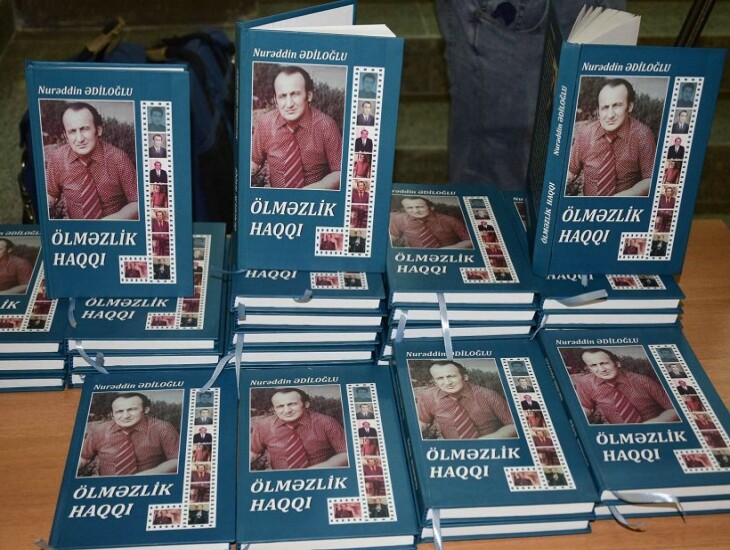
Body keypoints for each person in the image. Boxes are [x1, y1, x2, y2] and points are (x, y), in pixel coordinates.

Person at [251, 66, 342, 189]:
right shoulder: (265, 124)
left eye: (295, 94)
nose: (289, 104)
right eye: (283, 96)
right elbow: (255, 161)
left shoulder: (326, 126)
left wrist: (308, 192)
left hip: (314, 198)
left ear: (309, 96)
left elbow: (339, 172)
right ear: (276, 100)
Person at [45, 102, 139, 220]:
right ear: (66, 136)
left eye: (85, 129)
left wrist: (110, 222)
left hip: (113, 227)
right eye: (72, 131)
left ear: (98, 130)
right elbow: (51, 194)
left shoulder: (119, 159)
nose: (80, 139)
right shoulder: (57, 159)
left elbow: (137, 202)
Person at [568, 78, 656, 197]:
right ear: (598, 111)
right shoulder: (585, 134)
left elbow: (650, 179)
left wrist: (620, 198)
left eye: (617, 106)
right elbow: (572, 171)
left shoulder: (643, 135)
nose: (610, 115)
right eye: (605, 107)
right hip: (588, 205)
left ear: (629, 106)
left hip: (625, 205)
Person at [78, 392, 179, 476]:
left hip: (149, 484)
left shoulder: (163, 428)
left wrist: (146, 475)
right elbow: (84, 458)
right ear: (112, 415)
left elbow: (176, 459)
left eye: (132, 409)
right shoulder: (99, 430)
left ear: (146, 410)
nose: (125, 416)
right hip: (107, 486)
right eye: (119, 411)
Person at [250, 387, 348, 470]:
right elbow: (254, 452)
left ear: (306, 404)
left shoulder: (327, 423)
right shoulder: (264, 425)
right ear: (274, 409)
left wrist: (313, 471)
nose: (287, 410)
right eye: (280, 406)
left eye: (292, 404)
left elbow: (345, 454)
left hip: (320, 476)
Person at [572, 348, 679, 424]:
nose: (601, 369)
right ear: (589, 368)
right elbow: (586, 408)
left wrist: (654, 423)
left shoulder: (643, 381)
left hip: (652, 428)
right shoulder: (584, 382)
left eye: (604, 363)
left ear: (617, 363)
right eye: (594, 365)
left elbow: (674, 408)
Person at [417, 361, 516, 439]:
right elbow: (423, 422)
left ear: (465, 377)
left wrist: (488, 440)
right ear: (434, 381)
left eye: (451, 376)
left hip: (489, 446)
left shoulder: (489, 396)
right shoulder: (428, 397)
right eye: (440, 378)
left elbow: (514, 425)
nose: (447, 383)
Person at [389, 196, 472, 249]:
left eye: (420, 207)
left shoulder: (450, 221)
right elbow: (392, 237)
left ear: (431, 208)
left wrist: (447, 250)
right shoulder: (399, 219)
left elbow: (470, 241)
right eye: (409, 208)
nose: (415, 211)